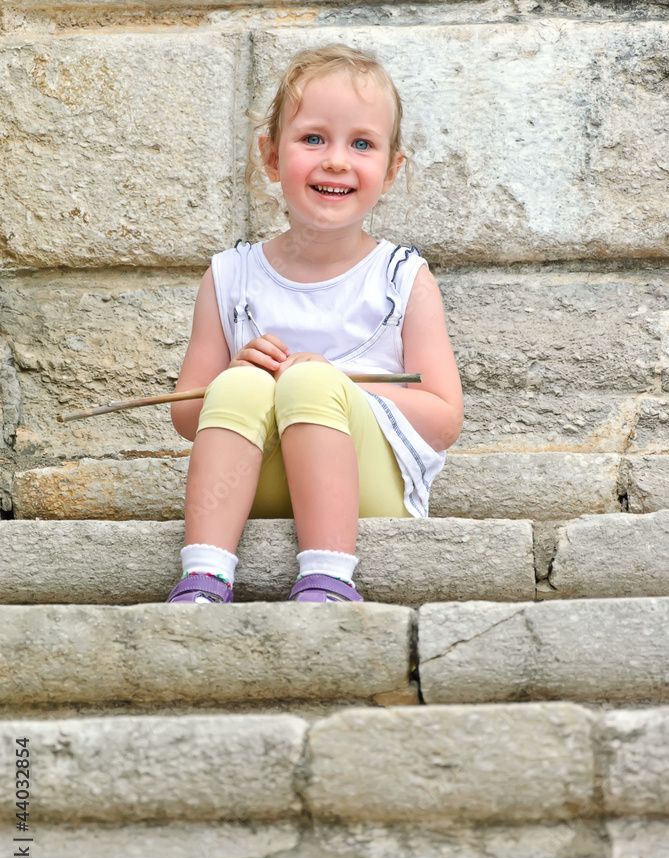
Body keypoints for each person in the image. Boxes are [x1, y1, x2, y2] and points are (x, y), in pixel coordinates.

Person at [166, 43, 463, 604]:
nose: (335, 160)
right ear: (271, 155)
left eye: (362, 144)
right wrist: (232, 376)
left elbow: (445, 419)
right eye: (313, 138)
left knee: (307, 381)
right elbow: (185, 414)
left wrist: (335, 387)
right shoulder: (230, 277)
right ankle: (204, 576)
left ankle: (328, 577)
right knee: (245, 382)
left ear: (392, 168)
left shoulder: (403, 278)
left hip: (367, 486)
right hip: (253, 487)